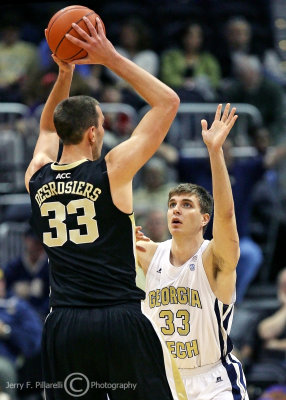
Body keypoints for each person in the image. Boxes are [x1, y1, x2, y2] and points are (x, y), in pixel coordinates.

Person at [25, 16, 185, 400]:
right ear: (94, 132)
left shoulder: (37, 176)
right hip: (118, 318)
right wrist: (108, 56)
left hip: (64, 322)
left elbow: (47, 129)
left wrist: (65, 72)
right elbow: (169, 102)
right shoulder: (111, 170)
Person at [136, 104, 249, 399]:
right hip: (165, 381)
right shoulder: (149, 254)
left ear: (204, 219)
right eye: (172, 204)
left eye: (186, 205)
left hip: (215, 382)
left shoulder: (215, 258)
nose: (176, 209)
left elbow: (226, 216)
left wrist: (215, 152)